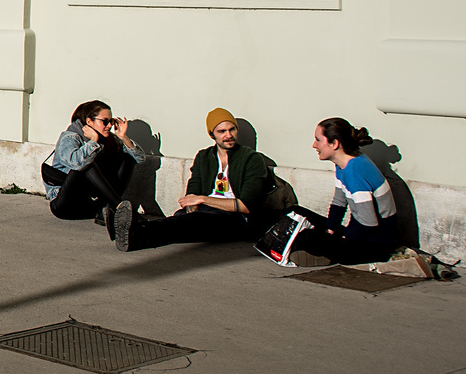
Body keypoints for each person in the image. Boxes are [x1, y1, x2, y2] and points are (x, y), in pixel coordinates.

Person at [114, 108, 273, 251]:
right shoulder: (204, 157)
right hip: (205, 211)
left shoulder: (251, 159)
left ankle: (134, 232)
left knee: (195, 221)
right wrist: (192, 208)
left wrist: (202, 200)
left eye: (232, 129)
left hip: (236, 218)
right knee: (182, 221)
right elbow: (193, 192)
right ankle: (133, 234)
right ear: (212, 134)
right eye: (222, 131)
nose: (228, 135)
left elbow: (245, 206)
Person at [279, 118, 402, 267]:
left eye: (318, 140)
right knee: (294, 212)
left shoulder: (355, 171)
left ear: (335, 143)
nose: (314, 145)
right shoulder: (344, 165)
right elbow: (339, 203)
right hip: (360, 231)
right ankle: (321, 251)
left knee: (306, 237)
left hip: (375, 243)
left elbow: (369, 222)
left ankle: (325, 254)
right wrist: (330, 229)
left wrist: (342, 237)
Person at [44, 100, 149, 234]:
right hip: (65, 205)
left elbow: (139, 159)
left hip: (91, 204)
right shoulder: (70, 137)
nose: (109, 126)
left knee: (127, 158)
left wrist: (123, 137)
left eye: (111, 121)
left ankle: (109, 209)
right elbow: (77, 164)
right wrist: (93, 142)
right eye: (105, 121)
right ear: (89, 121)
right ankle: (120, 207)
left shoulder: (108, 139)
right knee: (87, 164)